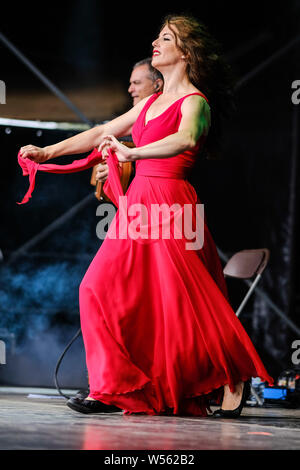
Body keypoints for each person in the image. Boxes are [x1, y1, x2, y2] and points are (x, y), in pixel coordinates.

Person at [19, 14, 273, 417]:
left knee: (185, 306)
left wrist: (133, 152)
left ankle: (233, 374)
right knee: (96, 289)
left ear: (185, 52)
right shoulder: (151, 103)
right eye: (157, 36)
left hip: (173, 206)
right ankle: (110, 388)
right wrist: (46, 152)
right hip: (137, 205)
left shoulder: (196, 102)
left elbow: (185, 138)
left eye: (166, 38)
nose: (156, 42)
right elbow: (102, 131)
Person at [95, 57, 163, 186]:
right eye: (131, 83)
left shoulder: (168, 115)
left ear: (157, 85)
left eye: (136, 83)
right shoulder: (137, 117)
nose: (130, 89)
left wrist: (124, 169)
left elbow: (167, 163)